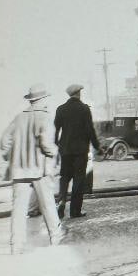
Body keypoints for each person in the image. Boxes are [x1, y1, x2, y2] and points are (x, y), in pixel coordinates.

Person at [0, 84, 65, 254]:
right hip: (39, 170)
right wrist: (55, 152)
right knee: (47, 204)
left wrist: (10, 156)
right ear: (42, 100)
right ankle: (56, 236)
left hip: (19, 170)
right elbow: (46, 144)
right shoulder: (45, 117)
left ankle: (16, 245)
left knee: (19, 209)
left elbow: (4, 141)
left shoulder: (19, 117)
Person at [53, 83, 101, 219]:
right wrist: (97, 147)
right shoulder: (84, 109)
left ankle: (61, 203)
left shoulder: (60, 109)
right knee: (78, 180)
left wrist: (57, 146)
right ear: (79, 93)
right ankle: (75, 211)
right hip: (80, 150)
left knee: (64, 178)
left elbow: (55, 130)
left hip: (65, 150)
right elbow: (90, 130)